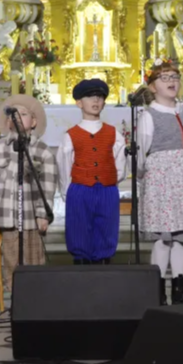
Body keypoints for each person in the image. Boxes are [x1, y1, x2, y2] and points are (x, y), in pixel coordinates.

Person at [138, 61, 183, 305]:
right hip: (161, 180)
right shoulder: (149, 115)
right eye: (164, 77)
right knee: (163, 237)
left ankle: (179, 289)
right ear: (152, 86)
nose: (171, 81)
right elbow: (141, 151)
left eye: (175, 77)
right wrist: (143, 176)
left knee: (182, 236)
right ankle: (157, 291)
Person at [0, 95, 58, 288]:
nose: (17, 118)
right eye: (13, 115)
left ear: (34, 121)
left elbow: (48, 185)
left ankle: (34, 301)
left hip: (32, 220)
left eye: (23, 114)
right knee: (11, 265)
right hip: (8, 219)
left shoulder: (42, 151)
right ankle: (14, 299)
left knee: (33, 264)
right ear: (8, 121)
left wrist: (43, 214)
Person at [57, 79, 125, 265]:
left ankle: (103, 261)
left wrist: (110, 180)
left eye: (100, 97)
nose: (95, 101)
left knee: (107, 226)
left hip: (107, 188)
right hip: (80, 188)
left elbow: (120, 162)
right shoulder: (71, 135)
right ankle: (81, 263)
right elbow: (64, 164)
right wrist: (67, 190)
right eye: (89, 97)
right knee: (79, 227)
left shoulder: (113, 133)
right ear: (79, 103)